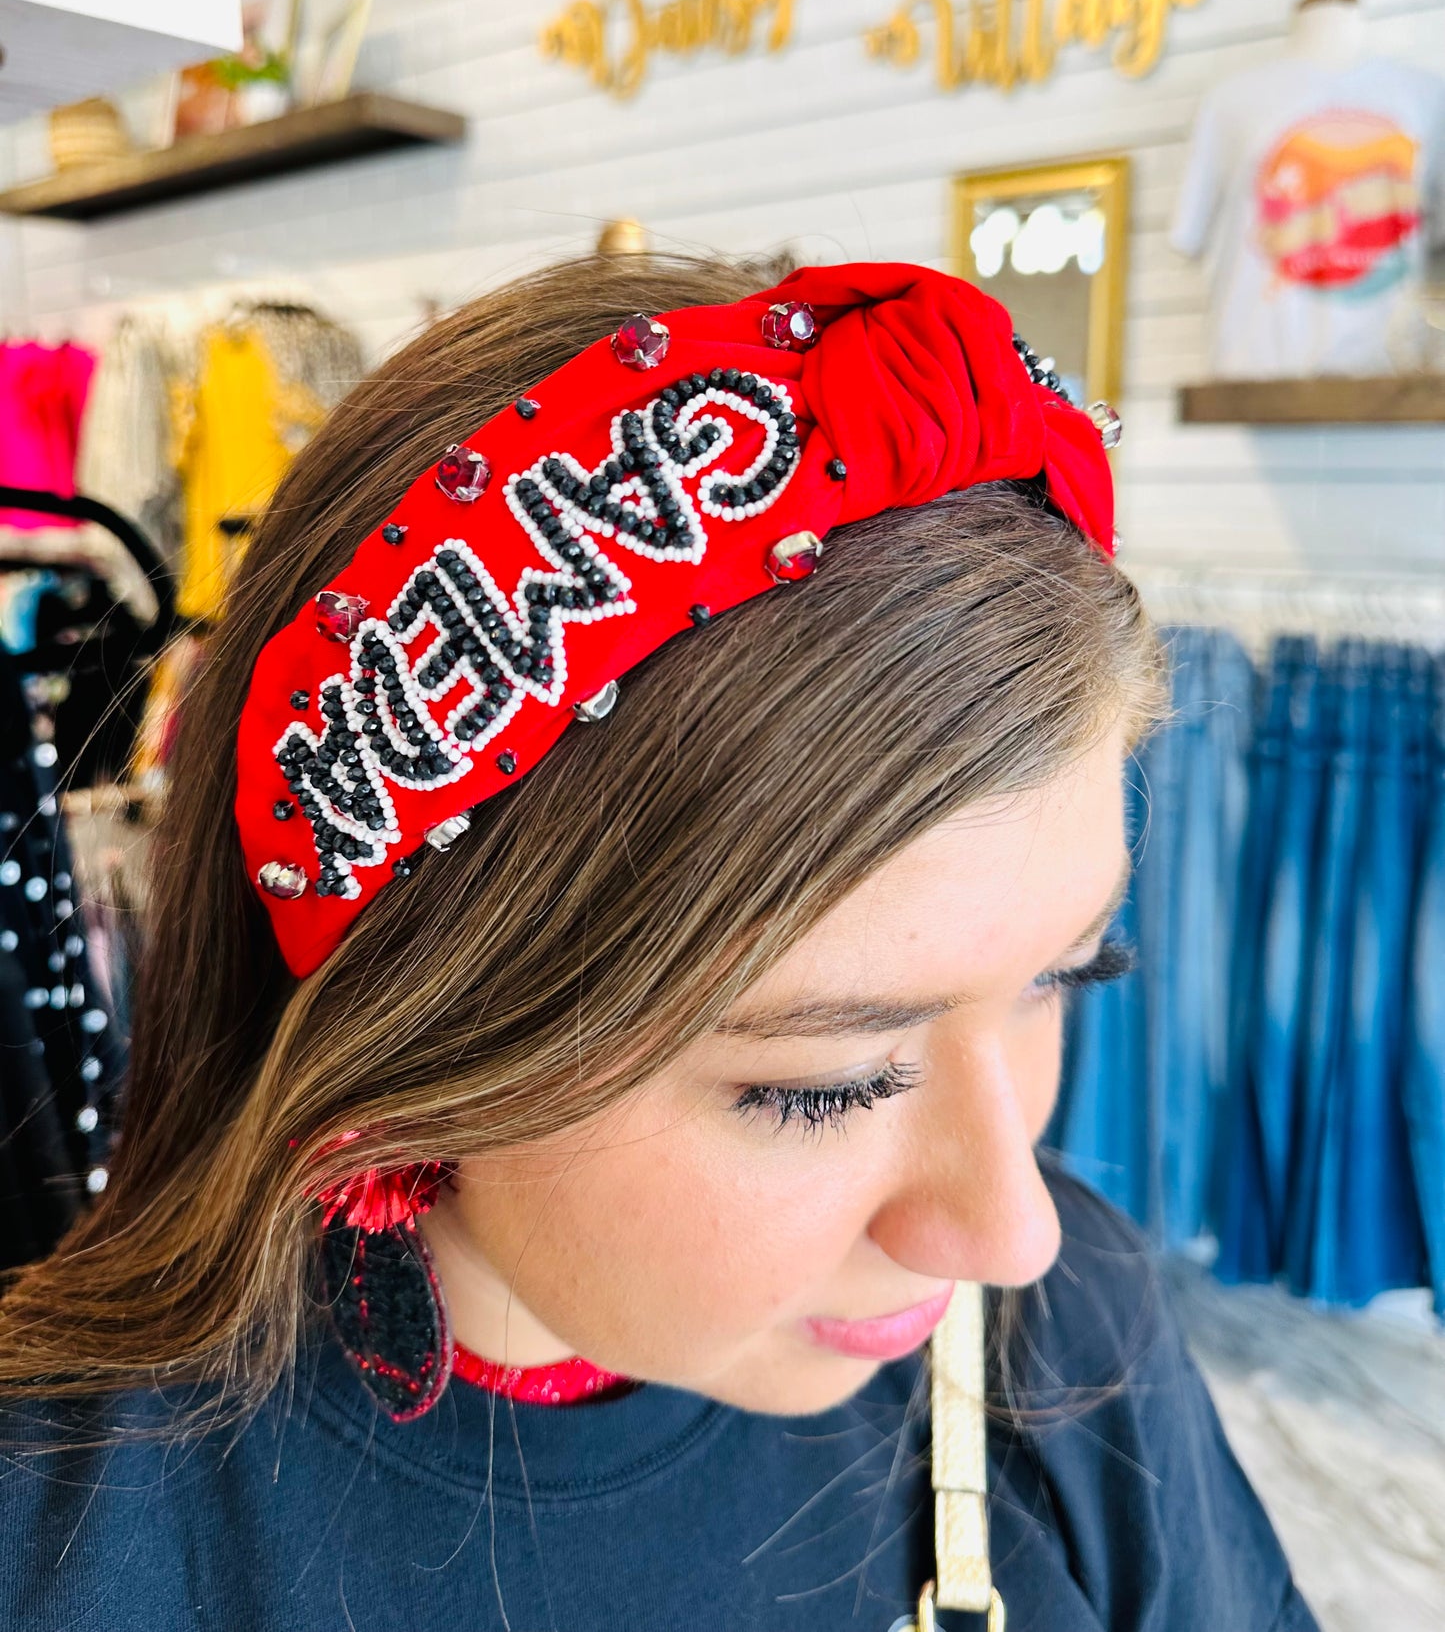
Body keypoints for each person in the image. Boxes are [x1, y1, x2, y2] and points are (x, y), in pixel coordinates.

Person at [0, 255, 1316, 1632]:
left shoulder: (1068, 1343)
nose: (1012, 1233)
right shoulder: (66, 1548)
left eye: (1064, 978)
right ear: (417, 1039)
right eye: (823, 1084)